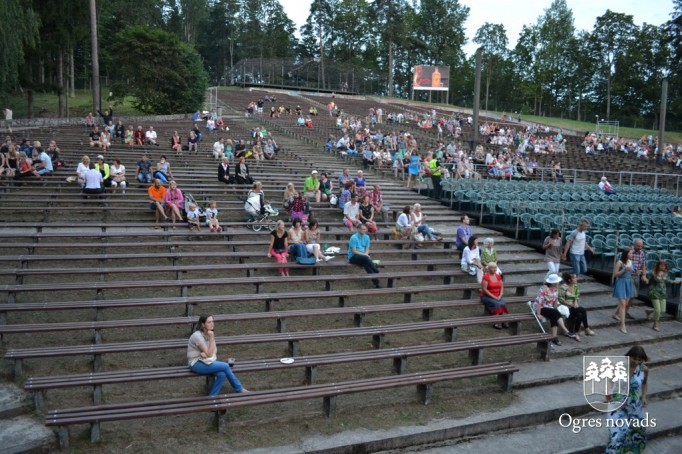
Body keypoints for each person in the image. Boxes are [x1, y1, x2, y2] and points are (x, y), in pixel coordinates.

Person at [187, 315, 248, 396]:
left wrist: (208, 352)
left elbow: (214, 350)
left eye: (213, 321)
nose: (212, 324)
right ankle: (239, 389)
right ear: (203, 324)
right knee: (225, 366)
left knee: (222, 374)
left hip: (205, 361)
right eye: (209, 322)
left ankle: (212, 396)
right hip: (195, 363)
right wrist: (210, 341)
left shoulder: (210, 333)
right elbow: (210, 354)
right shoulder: (197, 336)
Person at [605, 346, 648, 454]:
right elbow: (610, 380)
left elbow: (644, 383)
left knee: (636, 432)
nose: (636, 362)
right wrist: (609, 391)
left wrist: (644, 396)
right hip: (618, 404)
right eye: (634, 359)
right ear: (629, 356)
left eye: (639, 359)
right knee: (617, 434)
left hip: (634, 406)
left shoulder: (644, 370)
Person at [534, 274, 577, 345]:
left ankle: (554, 337)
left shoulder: (555, 290)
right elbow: (539, 302)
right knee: (554, 312)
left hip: (549, 307)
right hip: (540, 308)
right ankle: (566, 330)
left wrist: (555, 310)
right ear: (553, 283)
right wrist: (538, 314)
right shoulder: (544, 288)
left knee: (554, 316)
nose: (559, 282)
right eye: (557, 282)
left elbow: (555, 302)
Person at [559, 272, 595, 337]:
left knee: (580, 314)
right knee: (583, 310)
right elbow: (561, 299)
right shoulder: (563, 287)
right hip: (566, 308)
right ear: (569, 280)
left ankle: (576, 332)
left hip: (574, 307)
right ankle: (586, 328)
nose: (576, 279)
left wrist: (575, 302)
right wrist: (571, 305)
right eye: (574, 278)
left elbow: (576, 296)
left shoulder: (575, 286)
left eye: (576, 277)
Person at [647, 260, 680, 332]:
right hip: (654, 292)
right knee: (658, 310)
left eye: (664, 265)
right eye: (661, 265)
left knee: (662, 310)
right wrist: (660, 274)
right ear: (658, 265)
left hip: (662, 293)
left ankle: (649, 311)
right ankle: (655, 324)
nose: (663, 267)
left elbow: (667, 280)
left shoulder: (666, 273)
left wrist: (674, 281)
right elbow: (656, 279)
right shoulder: (653, 272)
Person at [348, 223, 381, 288]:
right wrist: (366, 255)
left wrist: (366, 254)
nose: (364, 231)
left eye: (365, 229)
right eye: (362, 229)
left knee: (367, 265)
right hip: (353, 257)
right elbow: (354, 251)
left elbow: (367, 249)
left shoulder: (367, 237)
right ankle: (376, 270)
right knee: (366, 259)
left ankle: (377, 284)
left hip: (363, 256)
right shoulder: (353, 238)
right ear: (358, 229)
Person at [612, 249, 637, 334]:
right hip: (621, 283)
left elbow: (631, 273)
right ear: (626, 254)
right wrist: (624, 270)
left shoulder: (631, 262)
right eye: (630, 253)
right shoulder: (620, 262)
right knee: (623, 304)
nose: (632, 254)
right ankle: (623, 325)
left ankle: (615, 314)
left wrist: (637, 273)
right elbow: (615, 274)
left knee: (625, 304)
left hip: (628, 283)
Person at [480, 262, 508, 329]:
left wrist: (500, 294)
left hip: (497, 296)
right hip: (486, 296)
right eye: (493, 268)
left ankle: (503, 320)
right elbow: (484, 290)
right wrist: (494, 297)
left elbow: (501, 287)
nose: (495, 269)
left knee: (503, 304)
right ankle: (496, 322)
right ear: (489, 269)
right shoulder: (486, 277)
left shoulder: (498, 276)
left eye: (495, 267)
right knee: (497, 304)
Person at [629, 239, 649, 318]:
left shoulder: (642, 253)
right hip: (628, 276)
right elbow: (625, 264)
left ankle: (623, 312)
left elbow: (643, 265)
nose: (640, 247)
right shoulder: (629, 252)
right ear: (634, 244)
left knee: (632, 296)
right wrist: (634, 270)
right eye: (638, 246)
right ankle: (620, 313)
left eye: (641, 246)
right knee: (628, 296)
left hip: (637, 276)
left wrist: (644, 275)